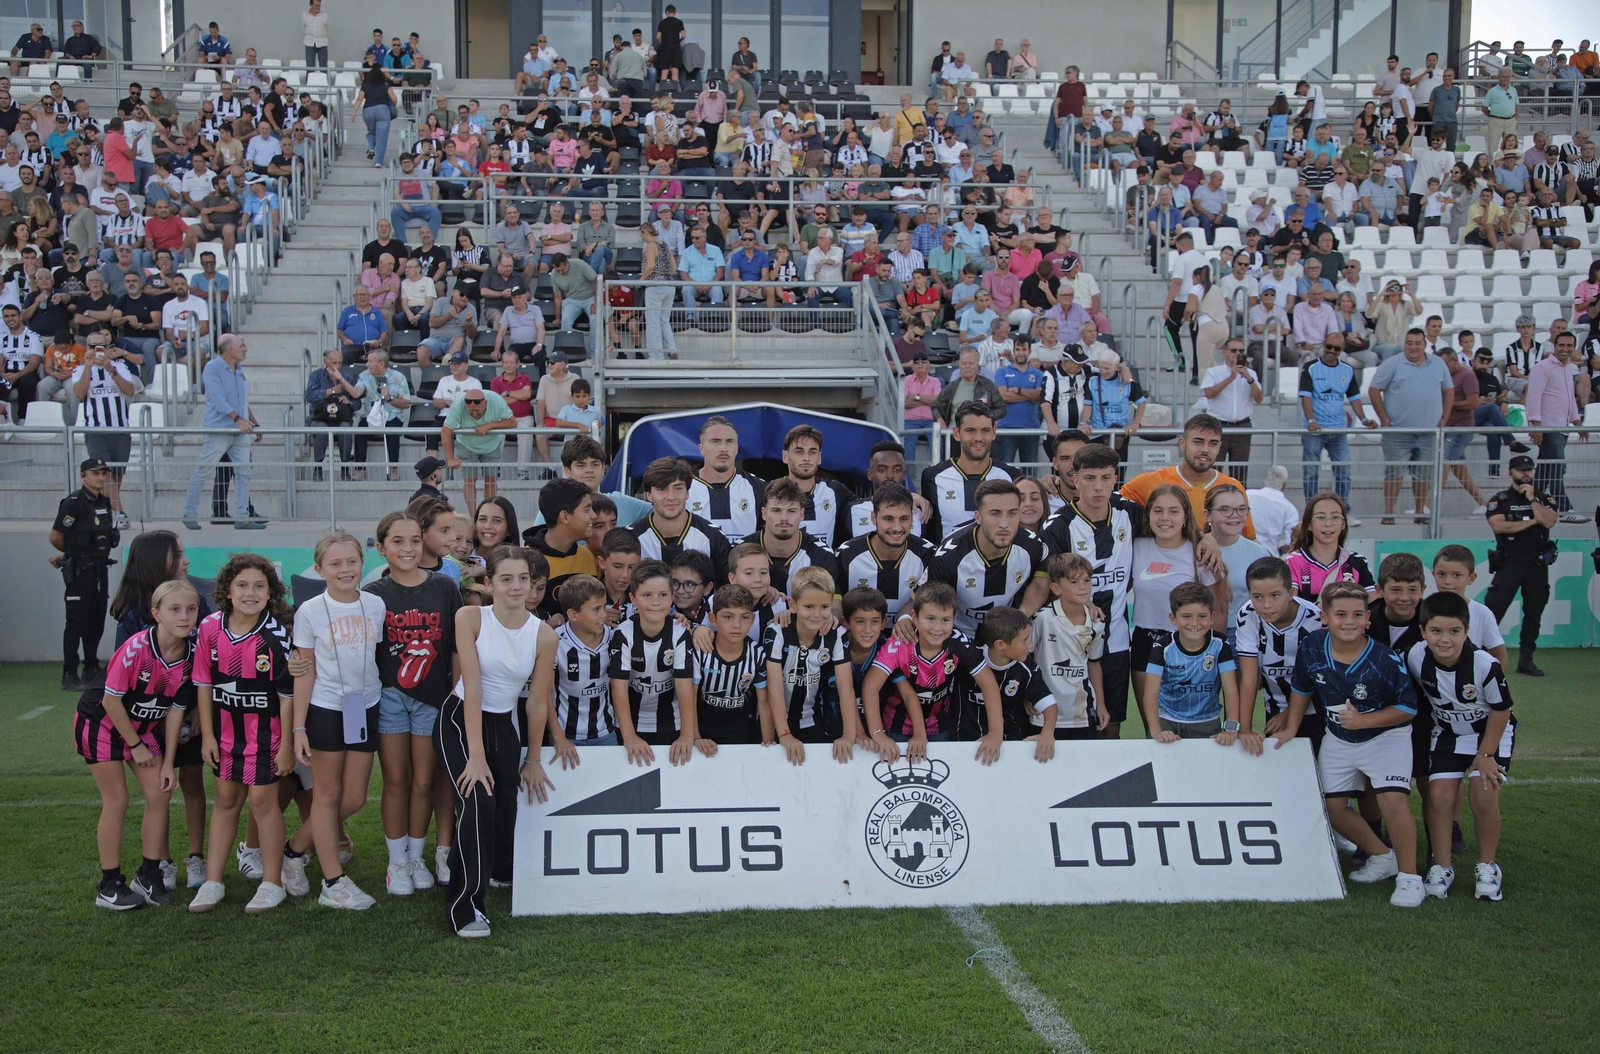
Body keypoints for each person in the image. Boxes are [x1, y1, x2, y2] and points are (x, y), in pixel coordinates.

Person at [1275, 581, 1425, 908]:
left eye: (1358, 614)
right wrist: (1291, 727)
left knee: (1393, 802)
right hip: (1339, 737)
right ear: (1324, 616)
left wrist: (1364, 722)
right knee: (1332, 809)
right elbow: (1302, 688)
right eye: (1340, 614)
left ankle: (1410, 878)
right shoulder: (1312, 646)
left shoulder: (1385, 660)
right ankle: (1383, 857)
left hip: (1387, 738)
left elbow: (1407, 708)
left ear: (1368, 619)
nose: (1349, 621)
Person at [437, 544, 556, 937]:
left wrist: (533, 759)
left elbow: (536, 703)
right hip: (460, 719)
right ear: (489, 583)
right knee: (477, 800)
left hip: (504, 724)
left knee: (506, 805)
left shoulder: (544, 635)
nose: (516, 586)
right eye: (506, 579)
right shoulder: (470, 617)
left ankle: (498, 871)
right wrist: (476, 756)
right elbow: (472, 687)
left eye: (524, 578)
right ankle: (466, 906)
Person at [74, 578, 197, 910]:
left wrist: (168, 761)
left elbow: (176, 711)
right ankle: (109, 885)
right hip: (101, 724)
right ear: (157, 613)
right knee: (117, 800)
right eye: (175, 609)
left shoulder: (191, 654)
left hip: (142, 729)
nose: (184, 616)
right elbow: (111, 702)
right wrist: (136, 745)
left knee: (160, 793)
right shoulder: (136, 648)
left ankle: (148, 875)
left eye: (191, 609)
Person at [185, 554, 297, 913]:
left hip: (266, 736)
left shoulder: (276, 636)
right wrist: (207, 736)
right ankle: (213, 882)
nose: (251, 592)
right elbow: (204, 684)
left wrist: (286, 746)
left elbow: (287, 696)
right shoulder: (209, 628)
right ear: (228, 590)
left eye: (259, 586)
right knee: (225, 800)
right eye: (243, 585)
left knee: (263, 803)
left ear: (271, 592)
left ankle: (272, 883)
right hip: (225, 735)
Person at [365, 512, 460, 898]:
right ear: (381, 548)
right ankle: (396, 861)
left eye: (415, 541)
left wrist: (456, 694)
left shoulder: (444, 587)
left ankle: (416, 857)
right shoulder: (372, 594)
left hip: (432, 699)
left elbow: (455, 647)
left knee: (423, 781)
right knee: (396, 780)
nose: (408, 549)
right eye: (398, 541)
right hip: (390, 697)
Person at [1408, 591, 1514, 902]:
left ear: (1466, 631)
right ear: (1423, 631)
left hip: (1490, 735)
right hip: (1449, 734)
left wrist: (1486, 754)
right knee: (1439, 796)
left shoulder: (1484, 664)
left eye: (1454, 631)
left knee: (1483, 795)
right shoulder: (1415, 657)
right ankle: (1442, 867)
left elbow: (1502, 710)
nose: (1445, 639)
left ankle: (1488, 868)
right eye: (1436, 631)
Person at [762, 567, 861, 764]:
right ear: (793, 604)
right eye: (808, 607)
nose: (817, 614)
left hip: (810, 718)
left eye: (824, 607)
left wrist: (849, 734)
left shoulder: (837, 635)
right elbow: (774, 687)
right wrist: (784, 734)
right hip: (771, 720)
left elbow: (845, 687)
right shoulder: (777, 631)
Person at [1234, 556, 1324, 758]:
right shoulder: (1247, 616)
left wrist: (1289, 715)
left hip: (1316, 710)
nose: (1266, 605)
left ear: (1291, 593)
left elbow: (1318, 678)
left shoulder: (1315, 619)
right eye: (1257, 597)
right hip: (1274, 710)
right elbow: (1249, 677)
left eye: (1275, 595)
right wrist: (1245, 729)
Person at [610, 559, 696, 763]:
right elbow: (618, 689)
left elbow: (685, 688)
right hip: (629, 723)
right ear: (633, 598)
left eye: (663, 595)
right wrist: (629, 736)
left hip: (671, 722)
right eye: (647, 595)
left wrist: (687, 735)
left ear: (672, 597)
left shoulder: (680, 633)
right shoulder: (623, 634)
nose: (655, 602)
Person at [1482, 454, 1558, 677]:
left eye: (1529, 470)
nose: (1525, 473)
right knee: (1493, 610)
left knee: (1534, 612)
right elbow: (1500, 527)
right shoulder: (1500, 499)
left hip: (1536, 564)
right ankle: (1479, 656)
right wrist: (1534, 520)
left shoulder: (1542, 497)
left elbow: (1549, 521)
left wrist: (1532, 501)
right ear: (1510, 473)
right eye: (1521, 470)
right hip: (1510, 562)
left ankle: (1526, 659)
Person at [50, 457, 121, 691]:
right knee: (76, 622)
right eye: (95, 473)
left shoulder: (104, 502)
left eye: (103, 473)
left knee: (96, 620)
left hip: (100, 569)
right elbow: (56, 537)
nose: (100, 477)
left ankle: (91, 667)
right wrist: (72, 555)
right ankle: (69, 673)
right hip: (80, 571)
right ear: (83, 476)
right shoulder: (74, 503)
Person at [1121, 413, 1256, 537]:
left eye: (1213, 444)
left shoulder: (1233, 487)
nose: (1205, 450)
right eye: (1198, 442)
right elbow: (1112, 507)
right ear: (1183, 443)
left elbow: (1249, 538)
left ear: (1219, 447)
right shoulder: (1150, 482)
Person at [1368, 328, 1453, 525]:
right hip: (1397, 432)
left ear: (1424, 345)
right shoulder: (1392, 363)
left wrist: (1445, 418)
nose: (1413, 347)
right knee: (1394, 474)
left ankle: (1419, 513)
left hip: (1429, 432)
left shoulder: (1438, 363)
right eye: (1409, 343)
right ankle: (1389, 514)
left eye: (1417, 343)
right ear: (1404, 344)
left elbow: (1449, 390)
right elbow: (1373, 390)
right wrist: (1384, 419)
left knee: (1423, 475)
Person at [1141, 581, 1239, 743]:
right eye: (1186, 616)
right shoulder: (1162, 647)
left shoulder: (1220, 644)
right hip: (1167, 721)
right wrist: (1156, 731)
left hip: (1207, 722)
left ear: (1212, 617)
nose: (1194, 623)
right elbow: (1151, 693)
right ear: (1173, 618)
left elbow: (1230, 690)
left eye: (1202, 616)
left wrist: (1230, 729)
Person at [182, 335, 260, 531]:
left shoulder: (239, 370)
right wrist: (238, 419)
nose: (245, 349)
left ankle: (243, 517)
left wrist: (253, 422)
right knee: (204, 470)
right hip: (219, 430)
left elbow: (242, 400)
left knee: (243, 473)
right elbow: (218, 399)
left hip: (240, 432)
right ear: (230, 349)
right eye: (242, 345)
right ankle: (189, 513)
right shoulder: (212, 368)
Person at [1030, 553, 1107, 740]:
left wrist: (1101, 704)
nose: (1083, 587)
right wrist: (1028, 696)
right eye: (1074, 582)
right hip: (1043, 712)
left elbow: (1094, 663)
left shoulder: (1097, 624)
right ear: (1056, 588)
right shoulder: (1043, 619)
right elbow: (1025, 658)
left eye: (1087, 580)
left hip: (1082, 713)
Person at [1524, 332, 1589, 522]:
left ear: (1574, 348)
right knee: (1556, 468)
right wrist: (1536, 426)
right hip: (1548, 428)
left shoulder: (1568, 369)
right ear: (1555, 346)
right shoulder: (1542, 367)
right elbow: (1533, 396)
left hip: (1562, 428)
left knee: (1545, 471)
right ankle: (1564, 509)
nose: (1565, 349)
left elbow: (1569, 399)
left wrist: (1577, 423)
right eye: (1561, 345)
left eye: (1569, 345)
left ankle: (1529, 505)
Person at [1429, 545, 1508, 665]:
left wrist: (1491, 677)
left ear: (1471, 578)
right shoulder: (1424, 609)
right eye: (1441, 574)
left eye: (1456, 575)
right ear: (1433, 574)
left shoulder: (1482, 613)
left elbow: (1500, 658)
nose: (1448, 581)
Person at [442, 387, 515, 512]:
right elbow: (446, 430)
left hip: (491, 445)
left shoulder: (496, 400)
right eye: (471, 411)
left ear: (485, 403)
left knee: (491, 480)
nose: (474, 414)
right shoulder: (458, 405)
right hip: (466, 445)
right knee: (469, 480)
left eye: (477, 410)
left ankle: (488, 512)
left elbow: (512, 422)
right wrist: (450, 458)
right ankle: (473, 516)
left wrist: (488, 426)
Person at [1200, 338, 1262, 484]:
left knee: (1240, 469)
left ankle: (1239, 497)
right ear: (1224, 352)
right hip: (1218, 425)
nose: (1237, 354)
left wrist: (1250, 380)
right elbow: (1209, 394)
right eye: (1234, 350)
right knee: (1214, 467)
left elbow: (1259, 398)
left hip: (1242, 425)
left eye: (1241, 351)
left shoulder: (1251, 373)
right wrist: (1231, 377)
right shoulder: (1214, 372)